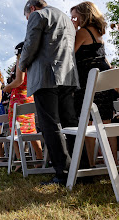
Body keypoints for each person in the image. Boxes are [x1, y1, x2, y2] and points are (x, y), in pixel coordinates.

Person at [19, 0, 90, 185]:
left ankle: (64, 173)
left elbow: (30, 45)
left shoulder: (38, 15)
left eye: (26, 17)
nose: (28, 19)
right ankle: (82, 169)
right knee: (71, 123)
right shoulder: (66, 17)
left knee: (51, 125)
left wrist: (21, 65)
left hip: (46, 77)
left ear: (32, 9)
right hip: (68, 77)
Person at [71, 1, 118, 166]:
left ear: (83, 15)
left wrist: (73, 31)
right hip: (102, 81)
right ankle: (112, 162)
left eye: (74, 16)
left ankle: (90, 163)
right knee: (106, 122)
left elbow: (69, 55)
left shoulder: (82, 32)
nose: (73, 20)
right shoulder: (98, 34)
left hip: (87, 83)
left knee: (88, 123)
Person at [3, 41, 43, 171]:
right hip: (30, 96)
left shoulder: (21, 61)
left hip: (18, 98)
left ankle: (21, 162)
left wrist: (7, 87)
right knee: (31, 130)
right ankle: (40, 159)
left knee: (15, 130)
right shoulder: (35, 61)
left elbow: (19, 81)